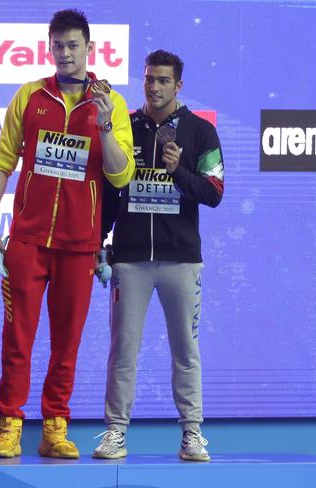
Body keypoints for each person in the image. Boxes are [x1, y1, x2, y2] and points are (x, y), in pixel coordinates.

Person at [0, 8, 135, 459]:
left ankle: (55, 426)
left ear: (90, 49)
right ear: (50, 48)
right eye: (58, 46)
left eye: (74, 45)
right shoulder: (30, 96)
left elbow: (121, 175)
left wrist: (105, 124)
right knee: (17, 338)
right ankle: (9, 423)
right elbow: (2, 161)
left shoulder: (113, 103)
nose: (65, 53)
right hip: (27, 241)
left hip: (80, 245)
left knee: (67, 342)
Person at [93, 49, 224, 461]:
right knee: (123, 349)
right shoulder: (126, 127)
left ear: (178, 85)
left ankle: (191, 433)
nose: (154, 86)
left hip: (181, 260)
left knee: (186, 349)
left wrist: (179, 171)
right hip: (130, 259)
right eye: (149, 79)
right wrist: (99, 240)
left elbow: (215, 193)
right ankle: (115, 432)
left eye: (163, 80)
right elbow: (111, 192)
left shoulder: (201, 131)